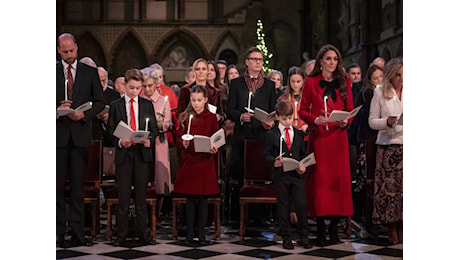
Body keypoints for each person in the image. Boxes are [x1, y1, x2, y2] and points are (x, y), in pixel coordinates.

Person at [298, 44, 354, 246]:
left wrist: (346, 121)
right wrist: (314, 120)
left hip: (338, 139)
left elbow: (349, 109)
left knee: (338, 184)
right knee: (321, 184)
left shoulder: (344, 81)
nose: (332, 62)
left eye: (335, 59)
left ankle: (335, 229)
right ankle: (321, 229)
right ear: (320, 60)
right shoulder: (311, 82)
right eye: (328, 58)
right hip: (320, 139)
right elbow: (302, 110)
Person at [56, 32, 105, 247]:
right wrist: (57, 110)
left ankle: (77, 232)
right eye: (64, 51)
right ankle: (58, 232)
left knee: (77, 188)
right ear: (58, 50)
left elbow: (100, 102)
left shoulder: (89, 72)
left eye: (72, 50)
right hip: (56, 136)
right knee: (55, 188)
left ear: (77, 48)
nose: (68, 54)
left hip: (80, 135)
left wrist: (84, 114)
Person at [106, 68, 159, 247]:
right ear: (125, 86)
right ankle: (120, 235)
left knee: (141, 198)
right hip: (124, 155)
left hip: (141, 155)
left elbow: (154, 129)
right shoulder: (115, 106)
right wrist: (121, 141)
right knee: (123, 197)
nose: (134, 92)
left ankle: (143, 234)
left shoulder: (146, 104)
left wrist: (148, 140)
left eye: (137, 88)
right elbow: (110, 131)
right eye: (131, 88)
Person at [226, 46, 277, 221]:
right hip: (243, 137)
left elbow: (274, 110)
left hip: (262, 136)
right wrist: (240, 116)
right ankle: (239, 217)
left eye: (260, 60)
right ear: (247, 62)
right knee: (241, 175)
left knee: (260, 175)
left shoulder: (269, 85)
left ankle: (260, 217)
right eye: (254, 59)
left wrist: (269, 120)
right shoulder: (236, 84)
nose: (257, 62)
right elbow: (229, 110)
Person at [174, 85, 220, 245]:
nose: (196, 103)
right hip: (190, 162)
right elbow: (179, 138)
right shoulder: (185, 116)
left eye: (199, 100)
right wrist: (183, 144)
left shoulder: (212, 117)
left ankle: (201, 233)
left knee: (203, 201)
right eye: (193, 100)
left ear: (206, 100)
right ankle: (189, 232)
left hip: (205, 162)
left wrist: (214, 146)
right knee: (190, 200)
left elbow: (216, 137)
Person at [264, 100, 312, 250]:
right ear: (277, 117)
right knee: (283, 206)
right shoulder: (271, 134)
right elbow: (266, 155)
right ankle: (286, 237)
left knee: (301, 205)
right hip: (281, 176)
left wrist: (303, 166)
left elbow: (303, 154)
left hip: (296, 176)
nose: (287, 122)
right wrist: (275, 162)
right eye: (284, 119)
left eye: (290, 118)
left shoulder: (298, 133)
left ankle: (304, 236)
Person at [368, 57, 403, 244]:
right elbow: (372, 121)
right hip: (388, 146)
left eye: (404, 75)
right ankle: (391, 228)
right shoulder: (380, 91)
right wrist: (386, 122)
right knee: (390, 191)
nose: (402, 79)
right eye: (398, 75)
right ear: (390, 75)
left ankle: (403, 226)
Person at [347, 64, 383, 230]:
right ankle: (363, 213)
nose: (379, 81)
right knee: (365, 177)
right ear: (370, 79)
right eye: (376, 78)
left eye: (381, 77)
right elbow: (361, 115)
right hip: (368, 138)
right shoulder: (367, 92)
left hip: (382, 138)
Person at [140, 67, 173, 218]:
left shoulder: (163, 101)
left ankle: (156, 216)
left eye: (150, 86)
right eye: (144, 86)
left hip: (159, 143)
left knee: (159, 182)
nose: (147, 89)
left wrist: (162, 125)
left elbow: (169, 122)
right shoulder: (139, 100)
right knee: (144, 179)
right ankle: (143, 214)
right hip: (143, 143)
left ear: (156, 85)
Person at [277, 66, 308, 225]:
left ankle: (300, 213)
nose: (296, 85)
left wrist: (304, 125)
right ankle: (289, 213)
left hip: (303, 138)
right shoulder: (283, 99)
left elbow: (309, 115)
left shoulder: (307, 98)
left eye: (299, 81)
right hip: (287, 139)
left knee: (301, 178)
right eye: (293, 81)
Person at [94, 66, 121, 146]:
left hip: (109, 135)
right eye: (99, 81)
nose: (102, 84)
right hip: (94, 133)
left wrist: (109, 116)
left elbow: (119, 114)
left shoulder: (114, 94)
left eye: (104, 80)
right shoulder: (88, 93)